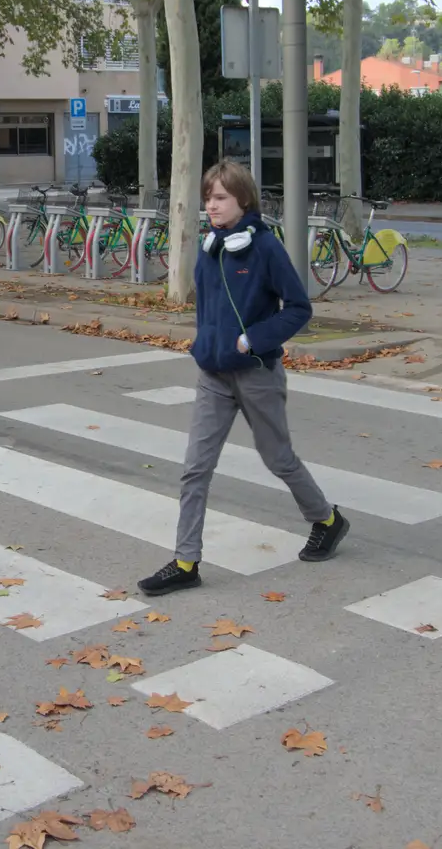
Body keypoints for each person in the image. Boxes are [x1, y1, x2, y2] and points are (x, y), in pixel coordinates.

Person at [138, 161, 349, 597]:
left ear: (243, 200)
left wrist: (251, 340)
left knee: (279, 460)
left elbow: (298, 308)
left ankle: (327, 520)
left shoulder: (265, 249)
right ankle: (185, 561)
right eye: (208, 197)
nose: (211, 206)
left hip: (256, 374)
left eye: (220, 198)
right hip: (212, 374)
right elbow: (207, 308)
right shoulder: (212, 246)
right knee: (195, 468)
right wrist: (206, 345)